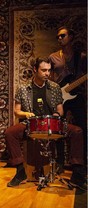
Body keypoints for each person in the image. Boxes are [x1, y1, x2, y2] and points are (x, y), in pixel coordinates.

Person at [4, 57, 87, 191]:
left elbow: (60, 110)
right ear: (35, 70)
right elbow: (16, 111)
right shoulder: (23, 88)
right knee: (10, 133)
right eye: (43, 70)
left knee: (77, 131)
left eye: (49, 70)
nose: (47, 73)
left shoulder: (55, 87)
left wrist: (57, 115)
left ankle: (78, 175)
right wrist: (26, 114)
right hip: (31, 123)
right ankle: (20, 172)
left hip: (53, 124)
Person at [49, 26, 87, 165]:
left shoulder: (81, 57)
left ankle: (81, 162)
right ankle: (59, 162)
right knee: (58, 127)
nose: (59, 38)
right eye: (58, 36)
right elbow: (50, 78)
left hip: (77, 95)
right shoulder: (52, 57)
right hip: (60, 96)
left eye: (62, 36)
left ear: (70, 37)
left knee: (82, 128)